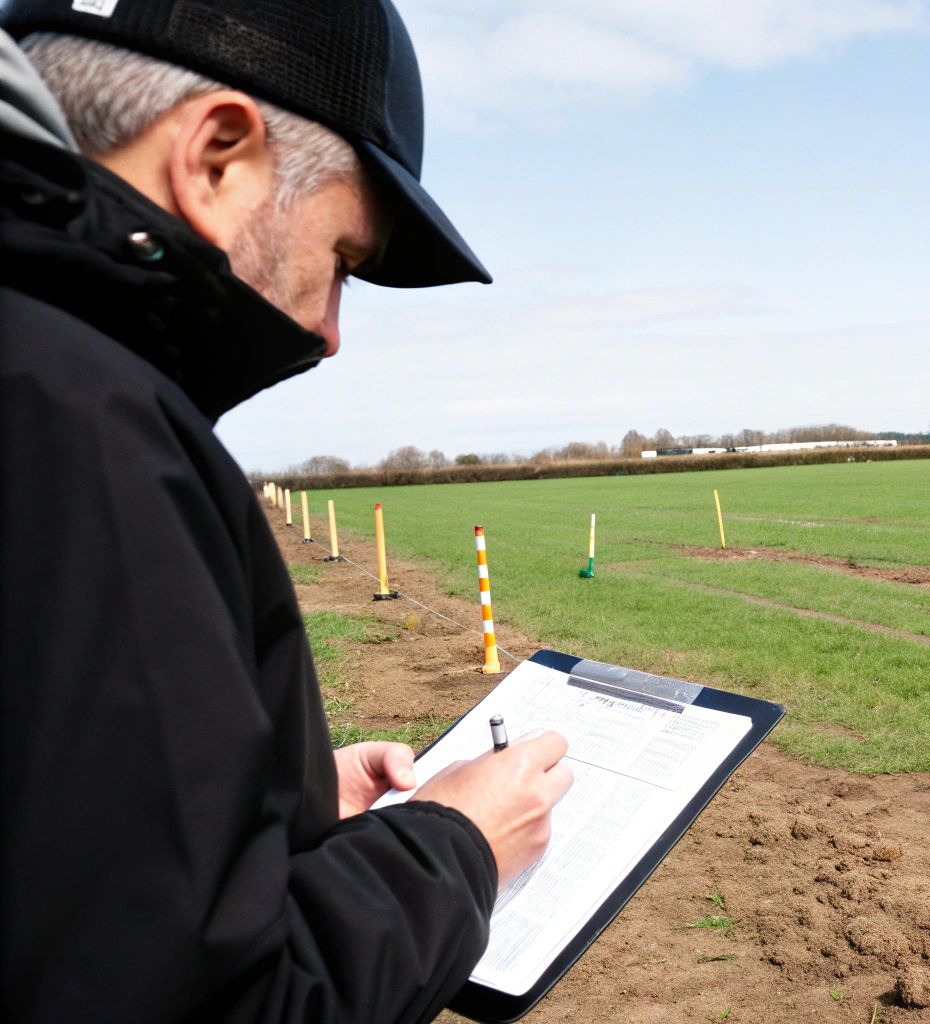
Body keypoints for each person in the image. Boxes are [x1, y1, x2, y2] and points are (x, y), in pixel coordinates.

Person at [0, 1, 572, 1020]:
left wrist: (277, 798)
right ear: (218, 156)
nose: (330, 331)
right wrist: (453, 846)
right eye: (343, 260)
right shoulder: (82, 421)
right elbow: (201, 1001)